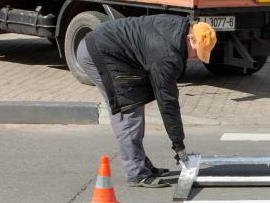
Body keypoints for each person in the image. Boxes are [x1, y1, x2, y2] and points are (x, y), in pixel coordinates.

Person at [76, 16, 217, 188]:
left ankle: (141, 164)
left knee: (134, 102)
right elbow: (167, 103)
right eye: (197, 52)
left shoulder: (177, 29)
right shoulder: (167, 55)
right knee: (128, 111)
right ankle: (136, 173)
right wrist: (178, 144)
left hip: (110, 49)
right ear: (190, 38)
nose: (196, 58)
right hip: (99, 53)